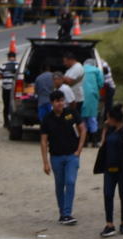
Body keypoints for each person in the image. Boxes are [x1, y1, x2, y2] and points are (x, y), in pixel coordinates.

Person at [93, 104, 123, 237]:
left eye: (109, 118)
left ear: (115, 118)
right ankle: (109, 224)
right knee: (108, 194)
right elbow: (104, 144)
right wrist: (105, 129)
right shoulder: (110, 129)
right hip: (109, 167)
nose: (107, 120)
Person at [40, 89, 87, 225]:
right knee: (60, 184)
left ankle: (67, 213)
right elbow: (43, 141)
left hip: (72, 156)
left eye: (62, 100)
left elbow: (83, 129)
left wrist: (79, 149)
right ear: (52, 103)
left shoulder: (71, 113)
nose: (60, 103)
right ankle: (63, 213)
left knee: (70, 182)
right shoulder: (47, 119)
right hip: (56, 157)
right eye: (57, 101)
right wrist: (45, 162)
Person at [81, 59, 105, 145]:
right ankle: (94, 141)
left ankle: (84, 141)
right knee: (92, 118)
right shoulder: (97, 70)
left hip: (80, 96)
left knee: (82, 118)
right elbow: (101, 83)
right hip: (92, 96)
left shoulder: (79, 69)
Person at [0, 51, 19, 128]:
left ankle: (6, 122)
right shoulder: (18, 65)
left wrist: (5, 76)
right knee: (13, 105)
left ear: (8, 57)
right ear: (15, 57)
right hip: (14, 89)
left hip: (5, 89)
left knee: (6, 105)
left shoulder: (3, 65)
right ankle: (13, 121)